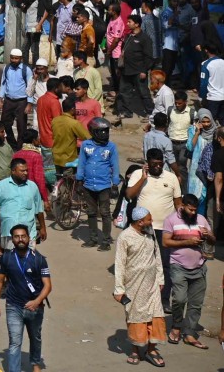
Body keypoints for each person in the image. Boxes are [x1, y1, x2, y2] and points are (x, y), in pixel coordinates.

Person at [0, 223, 50, 372]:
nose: (20, 239)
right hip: (13, 306)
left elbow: (48, 286)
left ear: (28, 238)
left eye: (23, 236)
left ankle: (36, 365)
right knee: (14, 342)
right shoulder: (6, 258)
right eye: (17, 237)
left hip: (35, 308)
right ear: (12, 239)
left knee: (35, 338)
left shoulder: (39, 259)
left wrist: (37, 302)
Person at [114, 206, 166, 367]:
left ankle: (152, 350)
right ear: (139, 222)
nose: (152, 222)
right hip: (134, 286)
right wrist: (119, 289)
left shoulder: (150, 233)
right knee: (136, 318)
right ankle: (135, 350)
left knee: (156, 316)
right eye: (149, 219)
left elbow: (157, 256)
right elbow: (120, 264)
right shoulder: (125, 237)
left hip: (152, 284)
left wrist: (160, 279)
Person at [161, 193, 212, 349]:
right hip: (178, 266)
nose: (193, 213)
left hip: (199, 266)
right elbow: (165, 242)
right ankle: (176, 326)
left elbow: (212, 240)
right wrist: (188, 241)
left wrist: (209, 235)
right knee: (180, 299)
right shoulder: (171, 220)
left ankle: (189, 333)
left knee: (196, 303)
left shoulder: (201, 219)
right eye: (190, 210)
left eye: (195, 210)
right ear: (182, 206)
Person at [0, 156, 47, 252]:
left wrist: (43, 228)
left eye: (26, 170)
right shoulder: (1, 186)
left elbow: (39, 209)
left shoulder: (33, 187)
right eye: (22, 171)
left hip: (29, 232)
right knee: (12, 259)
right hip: (8, 232)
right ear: (13, 171)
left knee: (28, 259)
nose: (25, 173)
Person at [76, 116, 121, 250]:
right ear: (93, 132)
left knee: (105, 213)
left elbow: (115, 166)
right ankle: (93, 239)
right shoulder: (86, 145)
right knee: (91, 212)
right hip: (88, 185)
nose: (104, 134)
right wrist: (79, 180)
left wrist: (115, 184)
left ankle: (106, 241)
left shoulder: (111, 147)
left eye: (106, 131)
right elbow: (82, 164)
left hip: (105, 185)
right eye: (101, 131)